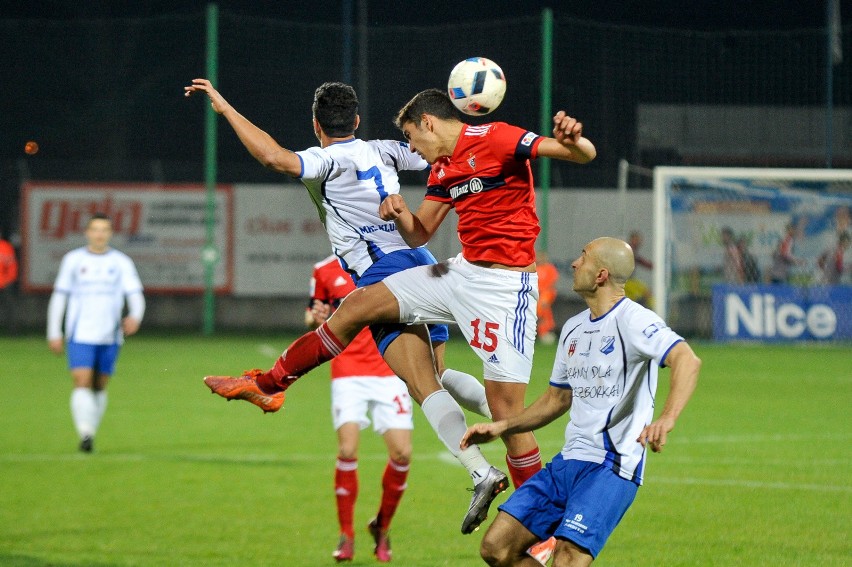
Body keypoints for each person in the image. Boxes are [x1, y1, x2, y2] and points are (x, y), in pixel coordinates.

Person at [198, 86, 596, 535]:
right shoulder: (413, 158)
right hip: (446, 272)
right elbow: (421, 227)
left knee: (468, 395)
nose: (411, 149)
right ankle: (483, 470)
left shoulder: (341, 157)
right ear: (357, 120)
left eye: (413, 137)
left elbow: (275, 158)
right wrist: (402, 211)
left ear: (317, 126)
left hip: (492, 285)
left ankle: (533, 513)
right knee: (427, 374)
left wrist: (226, 106)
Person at [461, 237, 701, 567]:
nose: (574, 263)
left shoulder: (633, 320)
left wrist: (667, 418)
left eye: (583, 258)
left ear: (601, 275)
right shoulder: (574, 328)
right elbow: (556, 400)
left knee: (567, 558)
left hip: (612, 465)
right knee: (497, 548)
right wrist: (502, 426)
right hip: (569, 461)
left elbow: (686, 359)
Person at [307, 256, 412, 563]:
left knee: (402, 454)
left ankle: (382, 527)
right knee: (348, 449)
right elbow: (313, 316)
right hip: (348, 370)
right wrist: (317, 316)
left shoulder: (392, 259)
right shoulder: (324, 270)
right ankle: (346, 535)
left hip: (389, 367)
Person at [47, 213, 145, 453]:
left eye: (104, 230)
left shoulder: (121, 262)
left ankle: (91, 429)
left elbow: (135, 293)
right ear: (87, 233)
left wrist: (135, 316)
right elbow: (60, 296)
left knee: (99, 386)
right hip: (80, 334)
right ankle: (85, 433)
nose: (99, 234)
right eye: (95, 229)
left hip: (110, 335)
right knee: (81, 381)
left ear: (110, 234)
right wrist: (53, 331)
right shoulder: (73, 260)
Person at [535, 250, 559, 344]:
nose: (540, 259)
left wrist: (543, 291)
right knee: (544, 311)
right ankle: (545, 330)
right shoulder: (535, 268)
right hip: (537, 293)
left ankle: (544, 330)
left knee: (542, 305)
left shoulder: (550, 268)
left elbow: (552, 283)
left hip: (547, 292)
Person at [624, 231, 653, 306]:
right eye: (636, 239)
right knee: (646, 293)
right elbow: (639, 260)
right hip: (626, 281)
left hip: (629, 281)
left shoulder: (632, 251)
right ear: (632, 239)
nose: (638, 242)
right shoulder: (629, 250)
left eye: (639, 240)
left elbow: (639, 260)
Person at [0, 233, 18, 334]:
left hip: (5, 283)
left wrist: (9, 280)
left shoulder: (6, 246)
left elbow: (12, 266)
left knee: (9, 308)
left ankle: (12, 331)